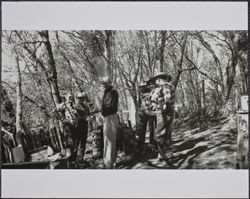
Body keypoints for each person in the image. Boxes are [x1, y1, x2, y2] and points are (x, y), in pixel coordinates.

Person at [51, 93, 80, 162]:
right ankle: (71, 159)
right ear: (66, 98)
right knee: (70, 143)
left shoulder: (72, 105)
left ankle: (75, 159)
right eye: (69, 97)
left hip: (74, 126)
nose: (71, 98)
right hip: (67, 127)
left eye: (71, 97)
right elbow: (53, 112)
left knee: (76, 142)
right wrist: (62, 120)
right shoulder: (63, 105)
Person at [100, 76, 119, 169]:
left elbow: (110, 107)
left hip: (111, 117)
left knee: (110, 141)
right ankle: (111, 162)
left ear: (110, 83)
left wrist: (101, 111)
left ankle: (109, 164)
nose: (103, 85)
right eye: (103, 83)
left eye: (105, 83)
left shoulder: (113, 92)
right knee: (107, 141)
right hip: (107, 117)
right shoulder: (106, 92)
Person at [75, 92, 91, 162]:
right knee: (77, 142)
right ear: (78, 99)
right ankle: (76, 159)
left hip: (85, 125)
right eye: (80, 98)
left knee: (83, 142)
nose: (81, 99)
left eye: (82, 98)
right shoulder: (76, 106)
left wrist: (91, 117)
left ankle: (81, 159)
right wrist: (84, 118)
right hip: (78, 126)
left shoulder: (86, 106)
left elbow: (89, 114)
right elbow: (76, 116)